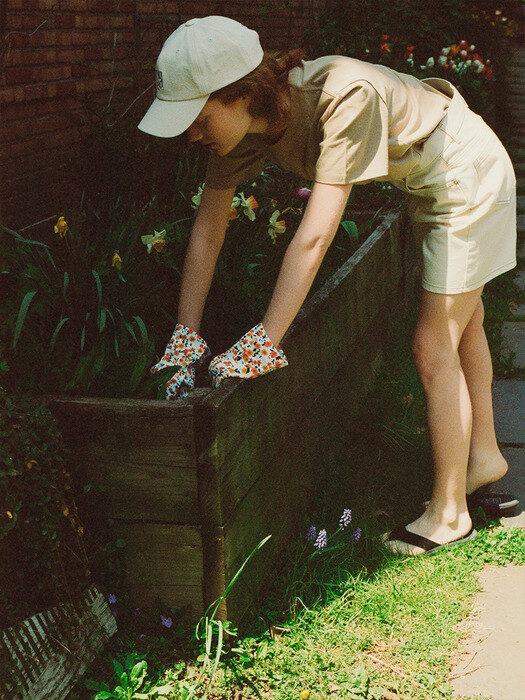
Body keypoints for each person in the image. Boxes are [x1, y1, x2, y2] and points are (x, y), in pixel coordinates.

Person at [137, 16, 519, 556]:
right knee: (467, 320)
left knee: (434, 342)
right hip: (430, 179)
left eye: (197, 118)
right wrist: (185, 336)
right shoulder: (246, 131)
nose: (190, 134)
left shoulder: (344, 96)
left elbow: (314, 237)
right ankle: (481, 456)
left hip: (465, 171)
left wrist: (265, 340)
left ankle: (450, 512)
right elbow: (207, 231)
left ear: (240, 94)